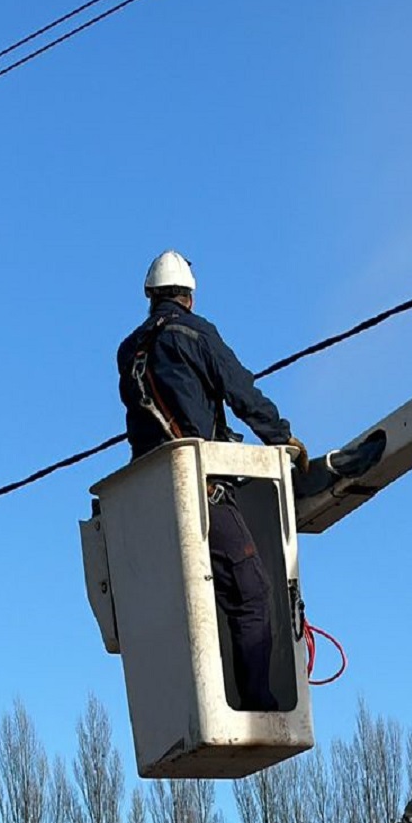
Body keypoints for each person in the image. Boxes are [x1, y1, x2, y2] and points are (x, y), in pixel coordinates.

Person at [116, 250, 305, 711]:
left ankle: (196, 702)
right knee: (252, 590)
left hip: (150, 494)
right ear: (189, 298)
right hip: (199, 490)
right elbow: (240, 391)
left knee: (197, 594)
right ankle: (259, 708)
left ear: (150, 297)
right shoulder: (196, 333)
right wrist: (283, 439)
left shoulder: (128, 350)